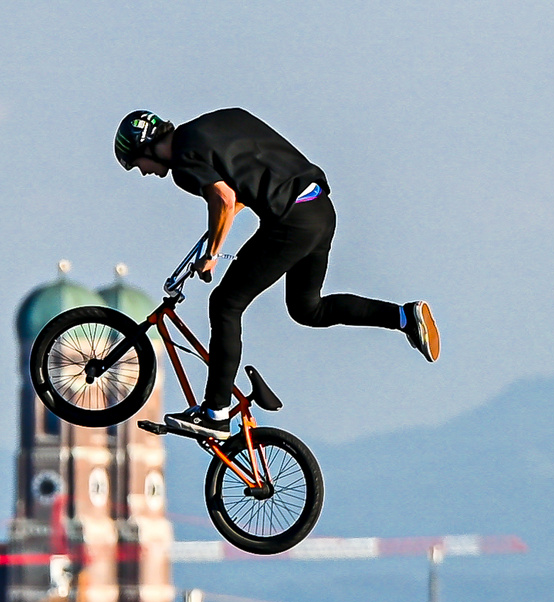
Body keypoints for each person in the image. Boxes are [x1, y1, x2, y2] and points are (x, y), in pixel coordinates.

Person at [114, 109, 439, 439]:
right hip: (320, 210)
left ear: (147, 147)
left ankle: (215, 413)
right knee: (307, 308)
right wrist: (211, 240)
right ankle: (403, 317)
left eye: (135, 163)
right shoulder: (215, 123)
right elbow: (239, 192)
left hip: (290, 222)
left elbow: (224, 199)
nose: (142, 173)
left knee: (225, 304)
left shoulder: (184, 164)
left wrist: (212, 253)